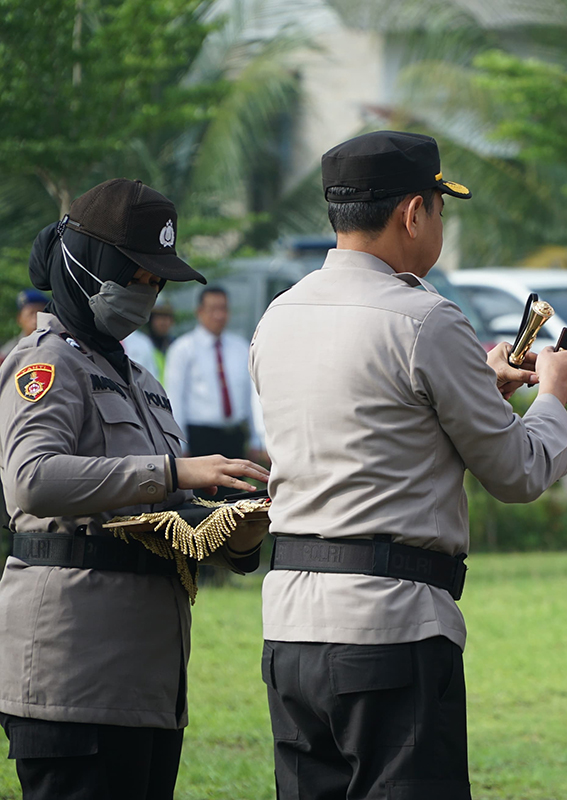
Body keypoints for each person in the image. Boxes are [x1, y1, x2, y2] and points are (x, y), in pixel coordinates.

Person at [249, 131, 567, 800]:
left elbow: (371, 430)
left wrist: (475, 393)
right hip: (389, 625)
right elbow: (519, 471)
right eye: (439, 208)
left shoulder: (278, 316)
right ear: (413, 213)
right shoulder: (424, 319)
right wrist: (555, 395)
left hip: (290, 627)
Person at [0, 178, 270, 800]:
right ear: (85, 265)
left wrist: (236, 535)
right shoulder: (45, 364)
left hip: (146, 687)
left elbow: (163, 511)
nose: (147, 293)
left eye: (157, 282)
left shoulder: (143, 381)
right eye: (135, 276)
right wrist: (175, 473)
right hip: (73, 678)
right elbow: (31, 480)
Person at [164, 286, 264, 464]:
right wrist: (180, 445)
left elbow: (251, 396)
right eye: (213, 309)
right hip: (200, 436)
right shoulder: (183, 348)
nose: (219, 315)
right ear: (200, 311)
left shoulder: (240, 347)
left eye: (223, 309)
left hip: (234, 436)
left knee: (235, 489)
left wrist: (256, 439)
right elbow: (175, 398)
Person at [0, 289, 48, 361]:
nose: (35, 320)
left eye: (39, 314)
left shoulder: (54, 344)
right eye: (31, 314)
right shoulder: (8, 352)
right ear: (19, 319)